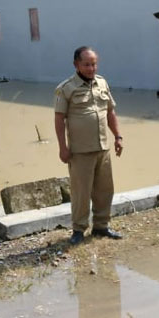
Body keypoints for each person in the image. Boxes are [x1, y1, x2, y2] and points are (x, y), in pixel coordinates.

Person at [54, 46, 124, 245]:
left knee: (105, 190)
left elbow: (110, 112)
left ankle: (102, 226)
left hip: (103, 148)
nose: (91, 68)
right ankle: (78, 230)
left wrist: (118, 136)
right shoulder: (66, 88)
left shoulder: (102, 83)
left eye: (94, 64)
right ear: (76, 64)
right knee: (80, 193)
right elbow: (59, 119)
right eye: (86, 64)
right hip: (80, 151)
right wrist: (62, 147)